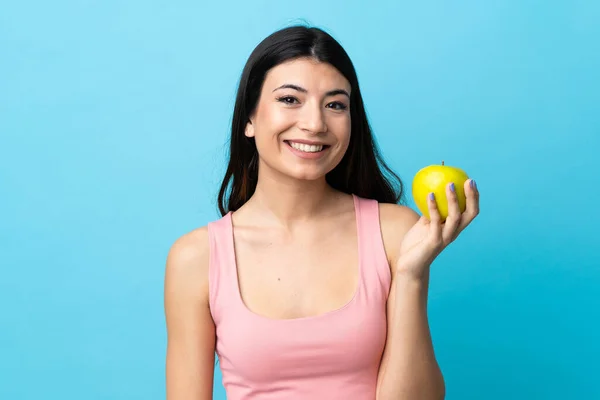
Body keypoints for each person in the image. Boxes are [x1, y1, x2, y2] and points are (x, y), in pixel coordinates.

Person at [164, 25, 479, 400]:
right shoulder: (196, 258)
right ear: (249, 119)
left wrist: (411, 275)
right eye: (290, 100)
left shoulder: (395, 233)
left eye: (335, 105)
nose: (315, 124)